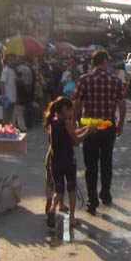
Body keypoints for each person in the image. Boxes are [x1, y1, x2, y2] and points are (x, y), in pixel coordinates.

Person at [72, 50, 126, 215]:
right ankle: (106, 193)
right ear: (104, 61)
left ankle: (92, 199)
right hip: (108, 127)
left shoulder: (84, 80)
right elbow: (122, 104)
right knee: (106, 161)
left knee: (91, 165)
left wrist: (74, 122)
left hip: (90, 128)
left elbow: (78, 103)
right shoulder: (115, 81)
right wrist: (121, 124)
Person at [43, 96, 93, 229]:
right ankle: (71, 219)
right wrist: (88, 131)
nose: (72, 112)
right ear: (65, 109)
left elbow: (71, 134)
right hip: (68, 162)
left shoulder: (52, 124)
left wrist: (85, 128)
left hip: (55, 162)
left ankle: (52, 210)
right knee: (71, 190)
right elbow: (76, 140)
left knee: (59, 190)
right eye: (70, 109)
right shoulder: (66, 123)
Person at [0, 54, 25, 130]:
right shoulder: (5, 70)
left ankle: (9, 129)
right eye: (10, 60)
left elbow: (15, 83)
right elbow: (1, 83)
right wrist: (3, 95)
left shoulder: (13, 70)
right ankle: (4, 130)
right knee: (6, 116)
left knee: (10, 116)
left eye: (13, 59)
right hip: (7, 97)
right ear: (6, 61)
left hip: (13, 97)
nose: (12, 61)